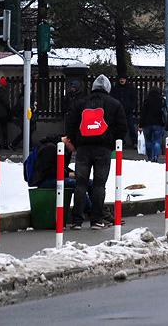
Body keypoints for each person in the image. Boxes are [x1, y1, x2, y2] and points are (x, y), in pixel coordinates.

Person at [66, 74, 127, 229]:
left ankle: (76, 221)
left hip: (83, 149)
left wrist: (75, 142)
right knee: (99, 185)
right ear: (108, 88)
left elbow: (71, 124)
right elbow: (122, 128)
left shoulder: (81, 102)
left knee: (80, 184)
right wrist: (111, 144)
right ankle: (96, 220)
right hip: (103, 149)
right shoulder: (114, 104)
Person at [139, 86, 167, 162]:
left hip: (147, 124)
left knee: (148, 141)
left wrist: (141, 125)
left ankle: (150, 157)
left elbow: (143, 114)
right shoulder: (162, 100)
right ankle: (156, 156)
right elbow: (165, 112)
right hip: (158, 124)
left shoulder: (147, 101)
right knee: (157, 141)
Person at [113, 76, 139, 149]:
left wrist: (131, 108)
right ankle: (122, 142)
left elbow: (134, 99)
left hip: (127, 111)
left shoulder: (129, 88)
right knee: (120, 127)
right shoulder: (116, 88)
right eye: (121, 78)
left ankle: (134, 141)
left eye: (123, 78)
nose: (122, 80)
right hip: (119, 111)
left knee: (131, 127)